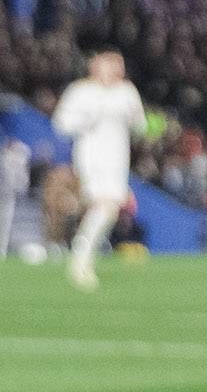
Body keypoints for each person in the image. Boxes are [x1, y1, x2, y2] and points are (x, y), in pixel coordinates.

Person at [54, 46, 148, 289]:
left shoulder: (127, 91)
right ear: (96, 65)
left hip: (118, 159)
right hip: (91, 158)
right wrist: (87, 118)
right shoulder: (81, 91)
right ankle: (80, 258)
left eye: (119, 64)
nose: (117, 68)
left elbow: (140, 126)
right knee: (104, 205)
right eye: (111, 63)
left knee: (112, 209)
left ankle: (84, 258)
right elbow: (61, 124)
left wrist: (135, 118)